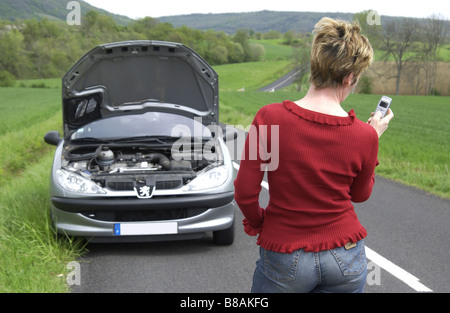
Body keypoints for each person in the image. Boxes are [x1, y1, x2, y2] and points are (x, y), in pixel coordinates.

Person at [234, 17, 394, 293]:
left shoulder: (269, 118)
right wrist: (372, 139)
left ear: (314, 64)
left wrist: (259, 222)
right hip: (346, 254)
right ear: (348, 77)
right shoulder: (365, 135)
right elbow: (360, 194)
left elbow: (245, 192)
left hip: (284, 254)